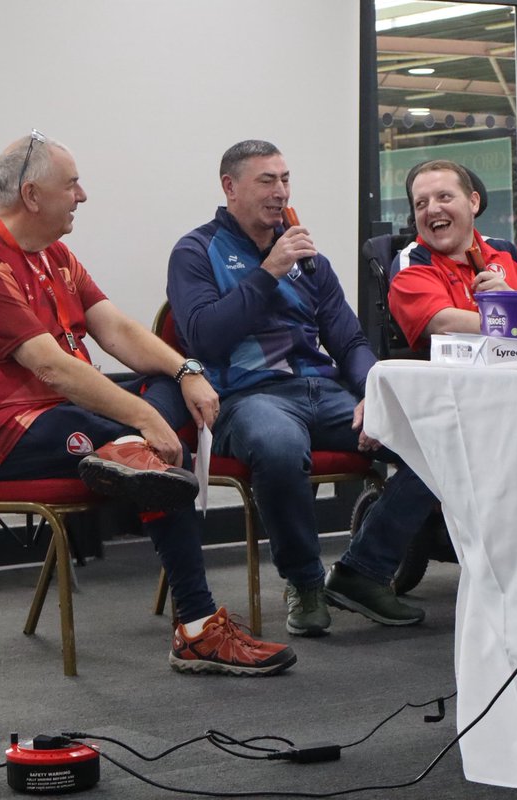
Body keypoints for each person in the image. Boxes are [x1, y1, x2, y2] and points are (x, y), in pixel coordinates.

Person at [0, 131, 295, 676]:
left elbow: (115, 328)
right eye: (72, 184)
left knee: (157, 409)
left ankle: (135, 463)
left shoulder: (52, 253)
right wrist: (146, 419)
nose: (82, 195)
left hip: (66, 414)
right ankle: (198, 628)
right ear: (33, 196)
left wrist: (186, 369)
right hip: (3, 433)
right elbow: (54, 368)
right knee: (138, 444)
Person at [167, 139, 437, 637]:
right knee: (277, 445)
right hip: (246, 398)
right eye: (266, 181)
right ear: (230, 187)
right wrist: (268, 272)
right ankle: (307, 582)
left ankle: (361, 571)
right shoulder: (195, 252)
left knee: (431, 435)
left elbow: (349, 340)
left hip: (321, 390)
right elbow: (204, 336)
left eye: (285, 179)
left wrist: (375, 395)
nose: (280, 192)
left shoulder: (310, 259)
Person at [388, 159, 517, 351]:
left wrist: (513, 299)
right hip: (456, 378)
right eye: (421, 204)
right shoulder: (413, 262)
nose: (432, 209)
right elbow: (443, 324)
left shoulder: (507, 252)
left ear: (473, 202)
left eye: (444, 197)